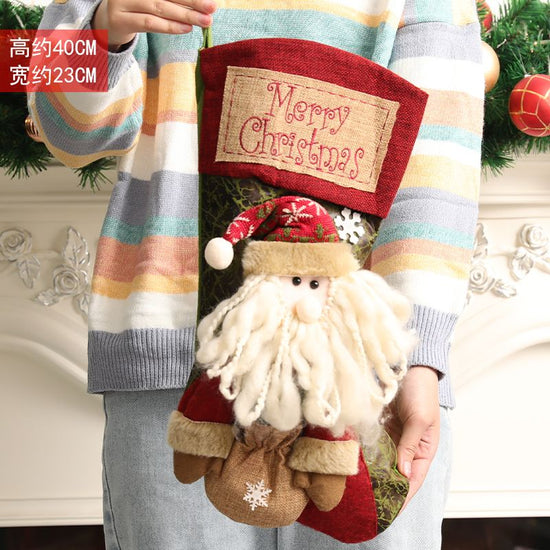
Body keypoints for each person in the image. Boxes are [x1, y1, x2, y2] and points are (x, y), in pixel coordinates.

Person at [27, 1, 484, 548]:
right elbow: (67, 132)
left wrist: (418, 359)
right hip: (173, 360)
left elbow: (438, 163)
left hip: (365, 376)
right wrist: (106, 25)